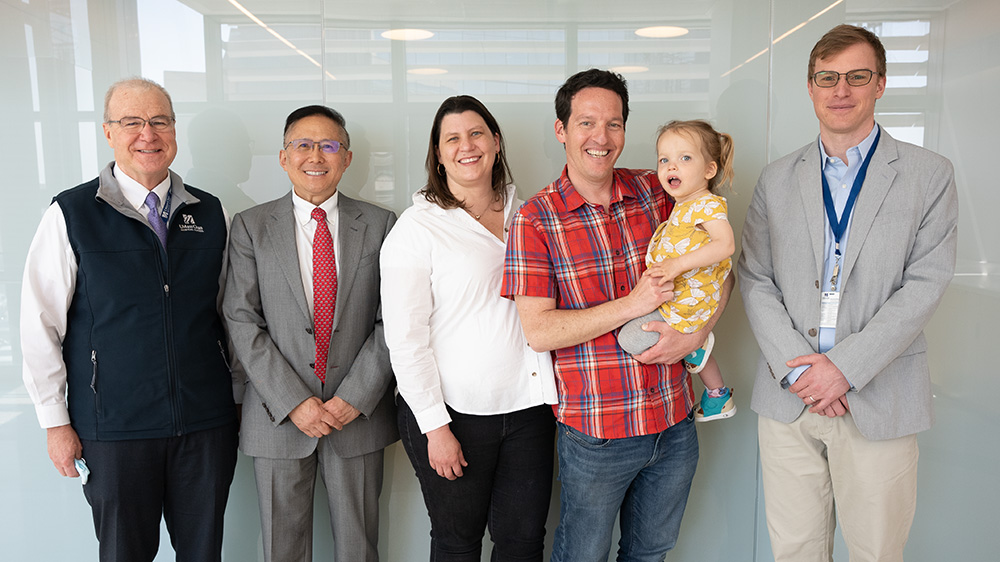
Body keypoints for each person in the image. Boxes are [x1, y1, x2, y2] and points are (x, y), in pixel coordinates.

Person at [738, 24, 958, 561]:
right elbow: (756, 277)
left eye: (857, 77)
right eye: (828, 78)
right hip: (789, 398)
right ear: (810, 86)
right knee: (795, 551)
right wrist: (800, 373)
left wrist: (843, 369)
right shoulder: (776, 179)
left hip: (879, 397)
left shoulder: (929, 175)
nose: (841, 90)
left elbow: (925, 284)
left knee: (876, 552)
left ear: (880, 84)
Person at [502, 69, 733, 562]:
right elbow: (539, 332)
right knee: (582, 556)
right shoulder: (535, 220)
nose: (601, 138)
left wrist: (698, 334)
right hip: (597, 434)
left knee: (651, 553)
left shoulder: (661, 190)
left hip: (674, 421)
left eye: (614, 124)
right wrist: (633, 304)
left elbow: (723, 272)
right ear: (562, 129)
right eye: (586, 123)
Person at [20, 77, 240, 561]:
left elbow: (231, 317)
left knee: (204, 553)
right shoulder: (71, 213)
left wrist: (240, 400)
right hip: (114, 429)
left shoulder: (211, 213)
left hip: (205, 425)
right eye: (131, 122)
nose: (148, 134)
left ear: (174, 130)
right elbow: (39, 324)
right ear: (108, 132)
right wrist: (55, 423)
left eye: (160, 121)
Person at [380, 95, 558, 561]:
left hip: (530, 409)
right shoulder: (417, 229)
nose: (467, 146)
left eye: (477, 133)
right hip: (454, 415)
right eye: (452, 139)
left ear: (496, 142)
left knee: (523, 545)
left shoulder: (530, 213)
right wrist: (435, 428)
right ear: (438, 155)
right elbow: (406, 340)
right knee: (458, 546)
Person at [223, 105, 397, 562]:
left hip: (357, 417)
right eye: (302, 145)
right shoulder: (250, 226)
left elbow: (394, 320)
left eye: (329, 145)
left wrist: (354, 397)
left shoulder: (381, 224)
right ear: (284, 158)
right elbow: (241, 319)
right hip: (277, 416)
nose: (315, 156)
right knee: (282, 549)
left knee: (359, 549)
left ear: (347, 157)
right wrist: (294, 402)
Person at [618, 119, 737, 422]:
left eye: (685, 158)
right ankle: (717, 393)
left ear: (709, 170)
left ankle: (697, 348)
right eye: (664, 160)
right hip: (679, 298)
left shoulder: (706, 205)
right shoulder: (682, 207)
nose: (672, 166)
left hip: (688, 301)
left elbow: (725, 245)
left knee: (628, 339)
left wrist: (676, 265)